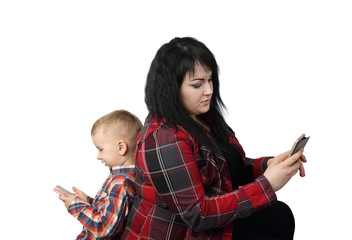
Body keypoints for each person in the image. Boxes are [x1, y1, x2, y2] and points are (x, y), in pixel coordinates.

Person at [121, 37, 307, 240]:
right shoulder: (163, 139)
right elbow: (198, 215)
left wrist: (267, 165)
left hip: (209, 222)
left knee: (279, 215)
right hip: (181, 232)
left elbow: (224, 169)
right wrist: (267, 184)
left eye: (210, 80)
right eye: (197, 84)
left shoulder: (202, 117)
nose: (209, 90)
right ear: (171, 88)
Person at [58, 110, 142, 240]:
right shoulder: (120, 178)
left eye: (101, 149)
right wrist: (88, 202)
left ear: (121, 147)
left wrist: (76, 206)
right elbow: (110, 211)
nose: (98, 156)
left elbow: (104, 228)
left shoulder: (121, 183)